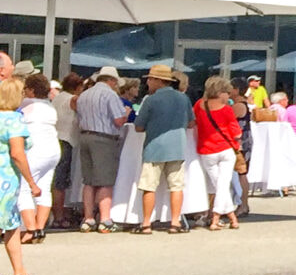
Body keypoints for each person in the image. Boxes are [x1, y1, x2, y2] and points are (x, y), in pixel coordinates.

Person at [133, 62, 193, 233]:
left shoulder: (151, 100)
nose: (148, 82)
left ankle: (146, 224)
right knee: (176, 186)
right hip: (177, 147)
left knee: (149, 186)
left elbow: (138, 127)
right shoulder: (183, 98)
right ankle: (175, 222)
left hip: (154, 148)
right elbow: (191, 123)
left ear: (159, 81)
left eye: (150, 79)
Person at [74, 65, 128, 231]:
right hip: (104, 138)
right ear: (111, 80)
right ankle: (105, 220)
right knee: (105, 180)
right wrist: (126, 113)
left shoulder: (84, 95)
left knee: (88, 180)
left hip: (85, 136)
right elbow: (118, 121)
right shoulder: (110, 95)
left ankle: (88, 218)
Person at [0, 78, 38, 275]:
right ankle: (19, 272)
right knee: (11, 225)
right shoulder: (14, 120)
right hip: (5, 179)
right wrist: (32, 182)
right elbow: (17, 154)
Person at [192, 75, 243, 231]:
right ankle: (218, 218)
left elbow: (193, 121)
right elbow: (237, 133)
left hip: (206, 150)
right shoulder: (226, 109)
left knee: (219, 185)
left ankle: (228, 218)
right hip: (225, 149)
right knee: (222, 185)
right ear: (221, 92)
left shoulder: (199, 105)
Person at [18, 75, 59, 244]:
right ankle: (40, 228)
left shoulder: (27, 104)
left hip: (35, 149)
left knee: (23, 188)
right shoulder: (50, 106)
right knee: (44, 188)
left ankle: (30, 229)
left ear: (32, 90)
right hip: (53, 149)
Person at [52, 72, 81, 230]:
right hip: (66, 140)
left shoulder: (57, 97)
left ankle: (58, 214)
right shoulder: (73, 99)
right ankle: (59, 217)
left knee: (56, 179)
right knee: (60, 181)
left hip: (56, 137)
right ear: (77, 87)